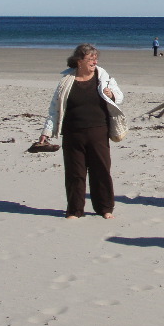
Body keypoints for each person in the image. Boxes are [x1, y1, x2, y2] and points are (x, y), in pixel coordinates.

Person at [38, 44, 125, 220]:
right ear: (79, 61)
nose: (95, 61)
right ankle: (75, 210)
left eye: (96, 58)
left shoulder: (103, 77)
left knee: (101, 170)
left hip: (98, 132)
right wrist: (46, 132)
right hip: (72, 134)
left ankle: (105, 208)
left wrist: (113, 95)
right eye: (90, 58)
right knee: (75, 173)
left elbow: (120, 96)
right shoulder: (65, 81)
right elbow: (54, 109)